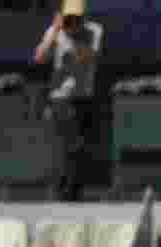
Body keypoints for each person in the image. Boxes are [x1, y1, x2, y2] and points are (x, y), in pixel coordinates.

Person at [34, 4, 104, 203]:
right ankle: (65, 193)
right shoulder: (56, 31)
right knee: (70, 145)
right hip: (61, 97)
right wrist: (55, 31)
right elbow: (39, 57)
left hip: (83, 96)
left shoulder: (94, 31)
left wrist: (74, 42)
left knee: (80, 148)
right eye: (68, 19)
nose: (71, 23)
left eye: (76, 19)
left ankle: (74, 191)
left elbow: (90, 57)